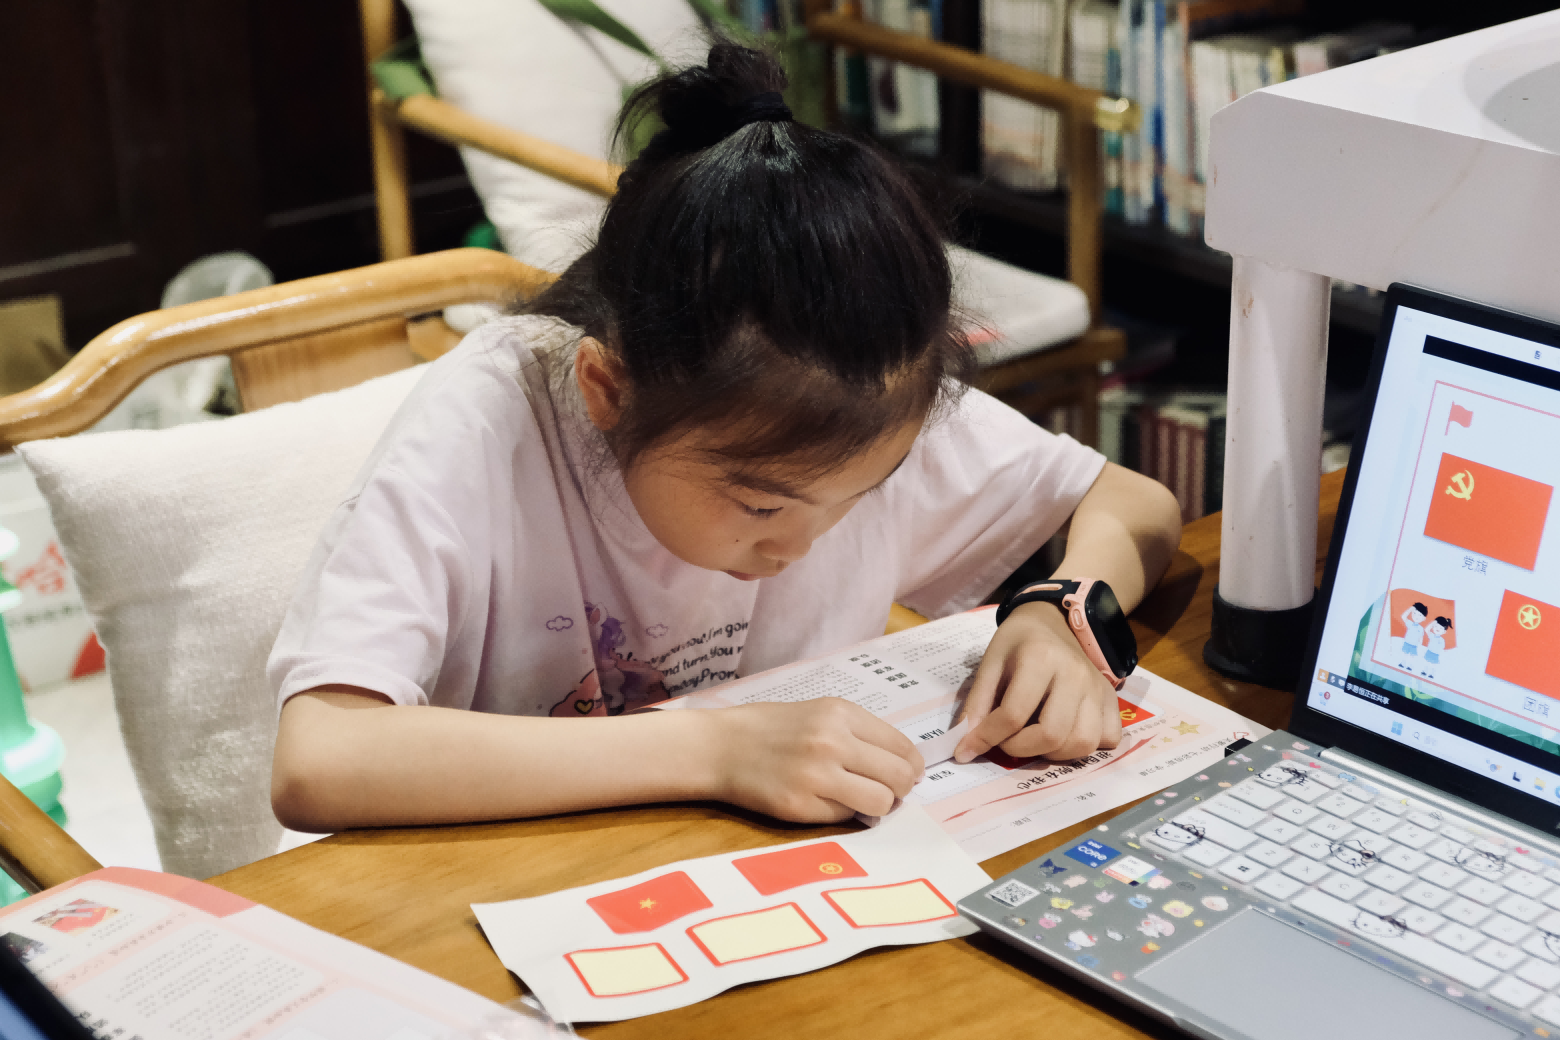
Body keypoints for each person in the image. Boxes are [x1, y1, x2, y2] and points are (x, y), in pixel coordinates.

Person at [268, 41, 1182, 833]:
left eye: (862, 494)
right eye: (760, 505)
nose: (799, 546)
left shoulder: (860, 394)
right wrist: (712, 750)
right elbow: (320, 758)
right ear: (607, 389)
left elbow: (1134, 504)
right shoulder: (497, 416)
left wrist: (1062, 613)